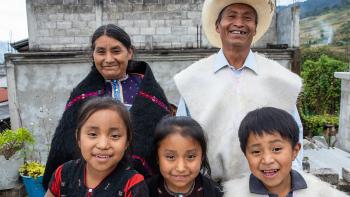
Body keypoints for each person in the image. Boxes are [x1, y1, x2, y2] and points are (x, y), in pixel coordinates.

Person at [174, 0, 303, 181]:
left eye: (247, 18)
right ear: (218, 26)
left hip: (267, 187)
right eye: (231, 16)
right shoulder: (193, 79)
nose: (239, 23)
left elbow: (295, 133)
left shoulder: (279, 79)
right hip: (210, 188)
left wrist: (291, 183)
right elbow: (182, 136)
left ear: (255, 28)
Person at [43, 24, 171, 189]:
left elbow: (165, 139)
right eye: (101, 52)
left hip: (143, 184)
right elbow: (65, 144)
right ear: (93, 54)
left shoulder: (150, 92)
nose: (108, 59)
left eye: (116, 51)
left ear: (129, 52)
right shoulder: (82, 94)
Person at [223, 107, 348, 197]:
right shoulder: (234, 193)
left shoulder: (320, 192)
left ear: (295, 151)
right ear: (245, 154)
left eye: (276, 149)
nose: (267, 160)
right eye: (256, 151)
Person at [45, 97, 149, 197]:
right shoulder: (63, 174)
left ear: (127, 141)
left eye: (115, 136)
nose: (102, 145)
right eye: (93, 134)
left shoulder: (132, 185)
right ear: (78, 138)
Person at [147, 116, 223, 197]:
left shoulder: (215, 192)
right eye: (170, 157)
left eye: (190, 156)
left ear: (202, 157)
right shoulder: (144, 190)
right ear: (157, 157)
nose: (181, 168)